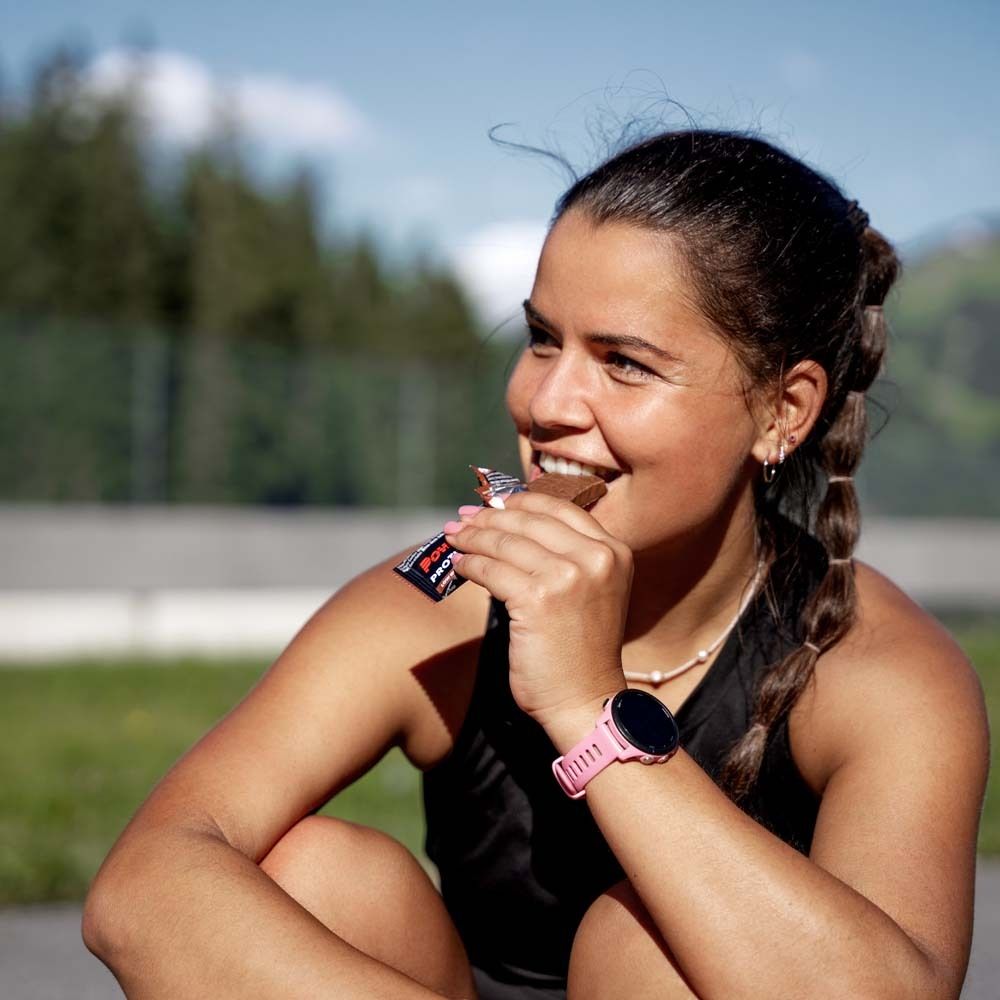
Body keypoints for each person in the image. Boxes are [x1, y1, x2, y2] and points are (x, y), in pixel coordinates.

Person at [83, 130, 989, 1000]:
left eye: (625, 364)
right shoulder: (440, 601)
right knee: (305, 872)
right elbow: (143, 886)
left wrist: (588, 705)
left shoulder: (874, 666)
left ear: (782, 412)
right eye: (543, 337)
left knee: (647, 947)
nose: (545, 401)